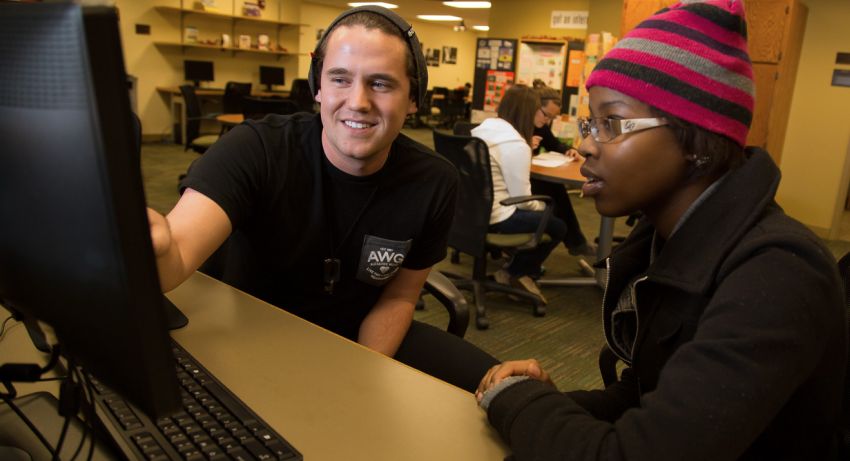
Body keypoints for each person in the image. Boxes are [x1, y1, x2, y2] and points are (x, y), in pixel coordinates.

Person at [475, 1, 847, 459]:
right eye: (590, 122)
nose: (586, 145)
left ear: (695, 140)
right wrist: (550, 404)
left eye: (610, 122)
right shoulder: (665, 241)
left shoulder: (778, 274)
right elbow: (642, 399)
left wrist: (519, 402)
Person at [147, 6, 497, 393]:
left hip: (354, 333)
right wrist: (154, 245)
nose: (358, 102)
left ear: (414, 98)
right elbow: (175, 253)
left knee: (508, 387)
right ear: (318, 86)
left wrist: (358, 377)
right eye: (340, 79)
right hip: (246, 334)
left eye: (380, 83)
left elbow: (399, 296)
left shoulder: (434, 181)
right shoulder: (257, 149)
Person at [471, 85, 567, 304]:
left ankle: (516, 269)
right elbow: (523, 201)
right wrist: (542, 209)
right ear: (528, 111)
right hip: (498, 217)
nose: (546, 120)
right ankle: (515, 272)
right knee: (558, 226)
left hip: (472, 213)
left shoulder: (481, 130)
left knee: (545, 216)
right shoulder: (515, 144)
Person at [531, 85, 597, 257]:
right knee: (556, 193)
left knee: (556, 191)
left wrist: (569, 150)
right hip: (516, 181)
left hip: (530, 176)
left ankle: (576, 242)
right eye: (546, 115)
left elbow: (554, 144)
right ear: (534, 106)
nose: (547, 121)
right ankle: (576, 242)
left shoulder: (540, 125)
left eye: (551, 118)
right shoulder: (516, 125)